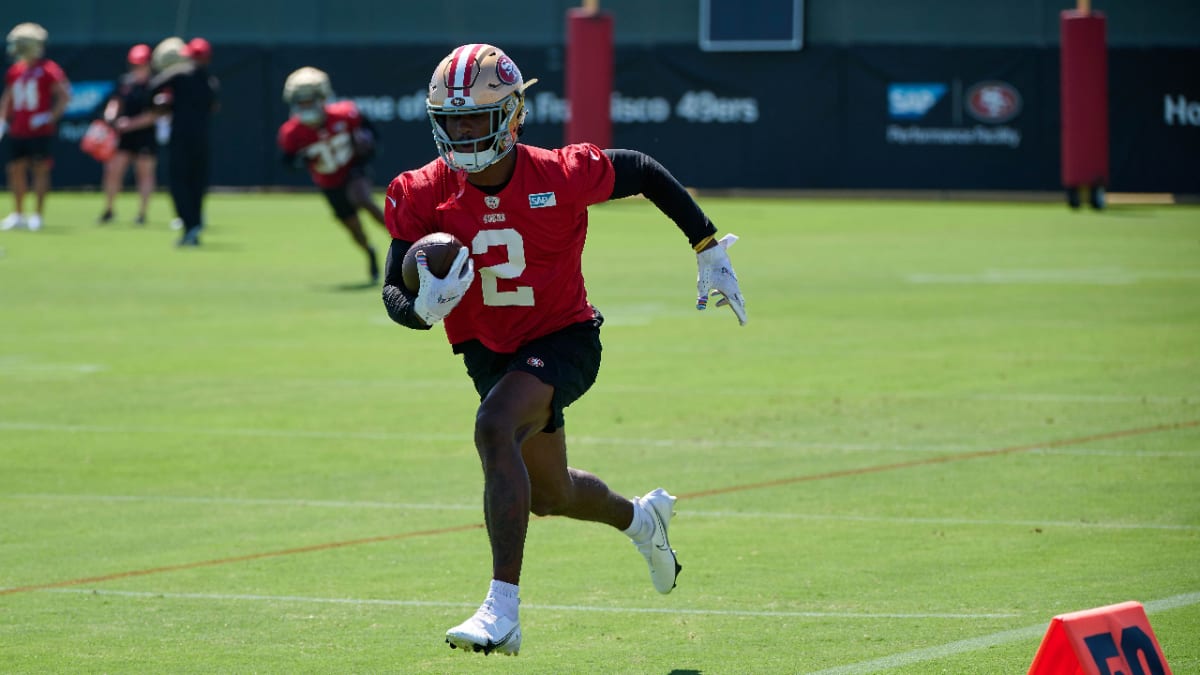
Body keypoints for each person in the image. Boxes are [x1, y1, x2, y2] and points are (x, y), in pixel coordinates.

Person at [381, 43, 747, 656]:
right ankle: (642, 519)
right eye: (453, 119)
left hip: (565, 337)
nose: (464, 130)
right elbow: (394, 288)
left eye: (477, 117)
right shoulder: (420, 192)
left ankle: (503, 609)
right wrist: (419, 310)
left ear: (512, 116)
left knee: (494, 426)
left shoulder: (558, 172)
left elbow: (641, 168)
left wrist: (704, 242)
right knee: (550, 495)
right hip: (490, 352)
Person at [277, 67, 387, 283]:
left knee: (363, 198)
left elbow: (372, 134)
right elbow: (287, 162)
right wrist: (300, 161)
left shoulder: (346, 114)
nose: (306, 106)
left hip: (352, 168)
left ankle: (404, 238)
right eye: (301, 102)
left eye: (310, 100)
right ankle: (369, 251)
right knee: (354, 228)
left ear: (321, 98)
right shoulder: (292, 132)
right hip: (328, 181)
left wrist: (367, 146)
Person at [117, 37, 218, 246]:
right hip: (201, 140)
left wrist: (162, 105)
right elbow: (213, 106)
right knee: (196, 183)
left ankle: (189, 226)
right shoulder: (210, 81)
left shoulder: (178, 72)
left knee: (179, 182)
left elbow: (152, 88)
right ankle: (195, 224)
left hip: (180, 138)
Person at [0, 22, 70, 232]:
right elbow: (8, 97)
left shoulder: (48, 69)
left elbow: (64, 96)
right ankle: (18, 214)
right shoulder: (15, 71)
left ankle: (37, 215)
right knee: (15, 170)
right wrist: (3, 120)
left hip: (39, 132)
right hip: (18, 130)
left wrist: (49, 117)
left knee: (40, 170)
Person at [97, 43, 157, 225]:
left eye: (142, 64)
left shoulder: (155, 85)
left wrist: (129, 124)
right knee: (113, 170)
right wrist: (110, 116)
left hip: (144, 135)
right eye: (135, 65)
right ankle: (108, 209)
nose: (138, 68)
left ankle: (142, 213)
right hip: (123, 136)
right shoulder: (125, 83)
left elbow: (153, 115)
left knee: (144, 173)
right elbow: (115, 102)